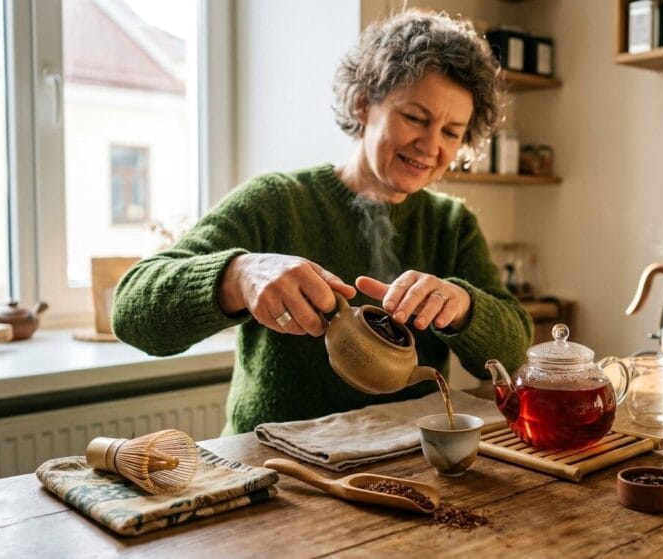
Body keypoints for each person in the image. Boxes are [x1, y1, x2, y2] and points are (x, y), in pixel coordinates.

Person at [112, 10, 533, 435]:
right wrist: (239, 276)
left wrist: (463, 308)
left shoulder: (451, 223)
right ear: (363, 103)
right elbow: (131, 314)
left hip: (404, 463)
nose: (430, 146)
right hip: (274, 468)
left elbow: (514, 352)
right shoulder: (276, 202)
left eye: (451, 132)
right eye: (415, 118)